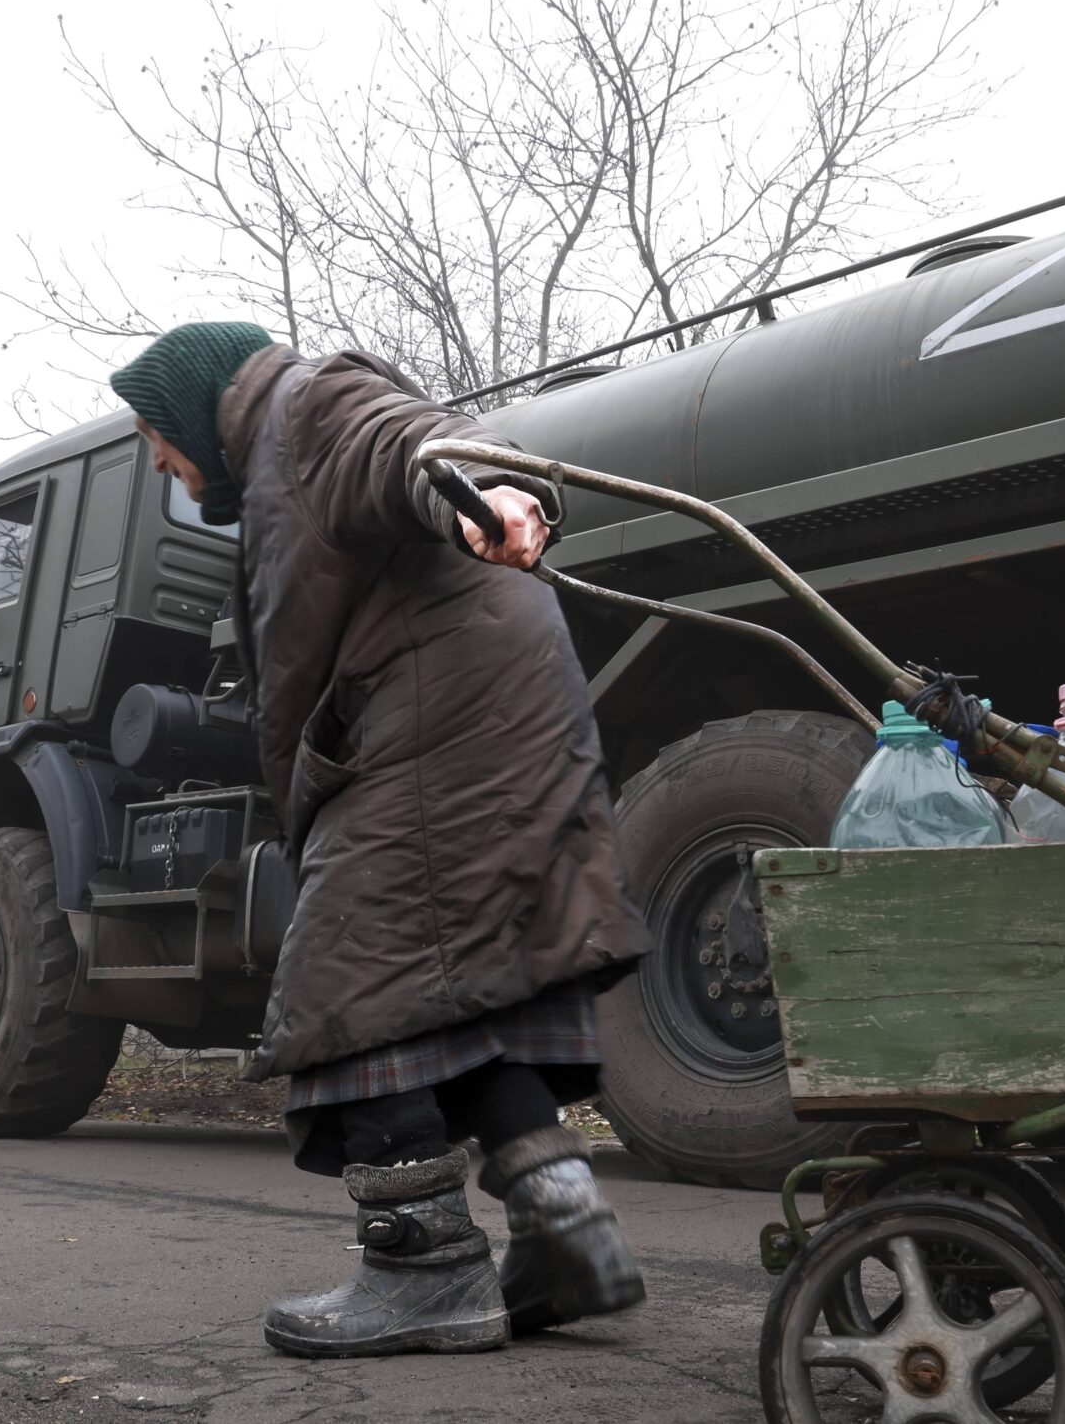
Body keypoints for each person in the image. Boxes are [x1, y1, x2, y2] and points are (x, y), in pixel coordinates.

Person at [108, 323, 652, 1359]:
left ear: (188, 409)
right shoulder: (272, 456)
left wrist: (493, 495)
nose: (156, 460)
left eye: (152, 433)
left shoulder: (302, 408)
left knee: (352, 979)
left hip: (432, 726)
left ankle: (425, 1266)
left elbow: (410, 444)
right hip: (486, 718)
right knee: (455, 993)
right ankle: (563, 1226)